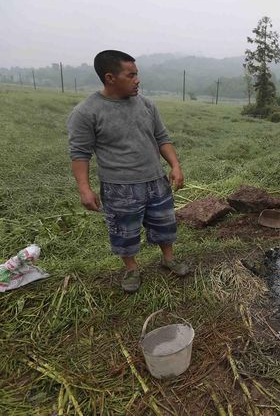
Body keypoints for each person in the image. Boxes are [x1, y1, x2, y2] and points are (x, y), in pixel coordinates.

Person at [67, 50, 189, 293]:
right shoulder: (86, 112)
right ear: (110, 78)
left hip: (156, 181)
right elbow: (80, 153)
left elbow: (162, 138)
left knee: (164, 224)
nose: (137, 80)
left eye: (137, 74)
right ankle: (132, 269)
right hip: (120, 187)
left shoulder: (146, 105)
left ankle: (168, 259)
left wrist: (175, 165)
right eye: (131, 75)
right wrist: (84, 189)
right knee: (125, 232)